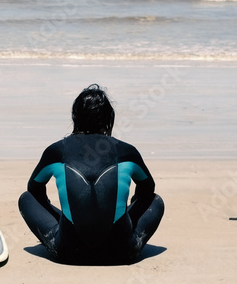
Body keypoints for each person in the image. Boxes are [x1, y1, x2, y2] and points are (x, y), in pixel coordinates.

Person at [18, 84, 164, 264]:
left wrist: (67, 216)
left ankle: (66, 228)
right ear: (109, 118)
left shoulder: (56, 151)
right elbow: (147, 190)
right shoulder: (127, 151)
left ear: (75, 117)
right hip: (121, 252)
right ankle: (121, 232)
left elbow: (34, 189)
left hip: (69, 253)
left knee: (26, 198)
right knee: (155, 200)